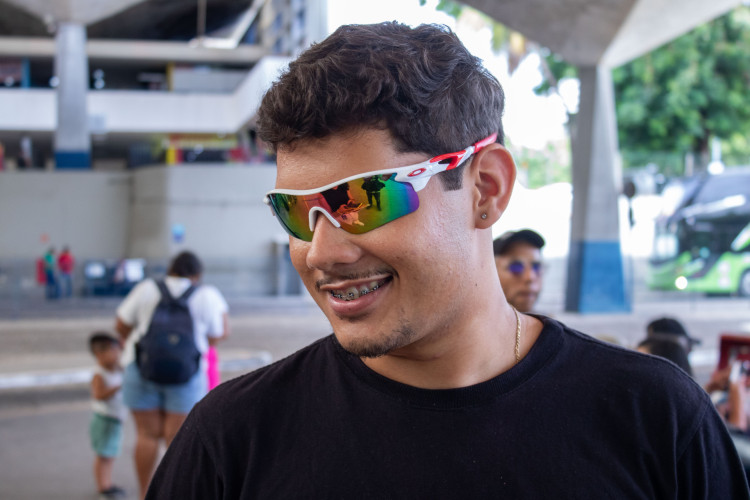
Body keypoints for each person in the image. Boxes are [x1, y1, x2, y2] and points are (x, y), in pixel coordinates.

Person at [146, 22, 749, 498]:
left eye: (364, 199)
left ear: (485, 189)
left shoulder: (656, 421)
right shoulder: (232, 441)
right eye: (296, 212)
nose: (322, 251)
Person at [115, 251, 228, 499]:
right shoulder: (206, 294)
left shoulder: (146, 288)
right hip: (186, 374)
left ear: (170, 270)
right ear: (197, 274)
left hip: (142, 368)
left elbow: (121, 325)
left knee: (145, 435)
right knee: (177, 441)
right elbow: (217, 335)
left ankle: (144, 494)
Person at [88, 331, 126, 499]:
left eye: (117, 351)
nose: (117, 355)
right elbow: (98, 395)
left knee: (109, 455)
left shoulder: (116, 369)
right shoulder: (99, 374)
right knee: (104, 455)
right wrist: (117, 388)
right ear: (99, 354)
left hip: (115, 419)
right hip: (104, 420)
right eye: (113, 352)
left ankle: (107, 484)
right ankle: (103, 487)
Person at [493, 228, 545, 312]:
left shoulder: (549, 320)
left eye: (536, 267)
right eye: (516, 267)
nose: (530, 277)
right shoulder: (474, 319)